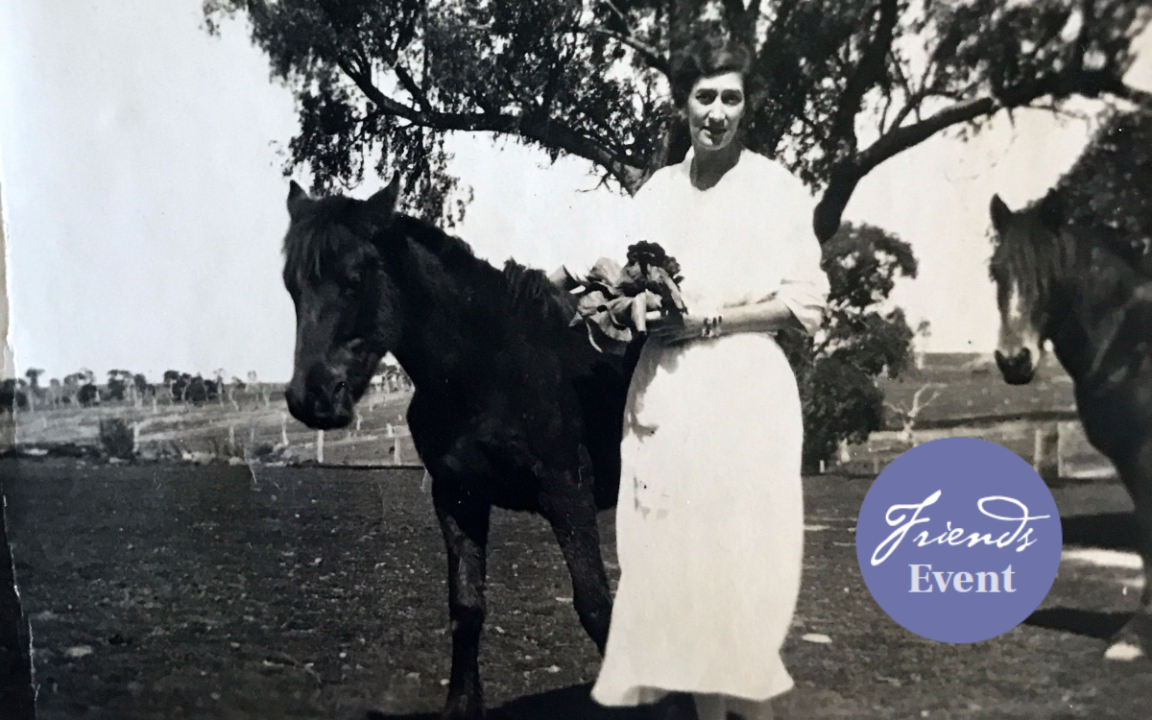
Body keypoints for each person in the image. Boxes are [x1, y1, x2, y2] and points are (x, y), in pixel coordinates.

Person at [590, 33, 830, 720]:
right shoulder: (659, 192)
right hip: (666, 394)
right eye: (705, 97)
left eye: (731, 97)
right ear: (681, 105)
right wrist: (624, 305)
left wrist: (709, 322)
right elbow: (624, 281)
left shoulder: (774, 188)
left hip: (743, 395)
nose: (718, 111)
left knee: (737, 580)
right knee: (673, 575)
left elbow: (804, 302)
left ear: (746, 106)